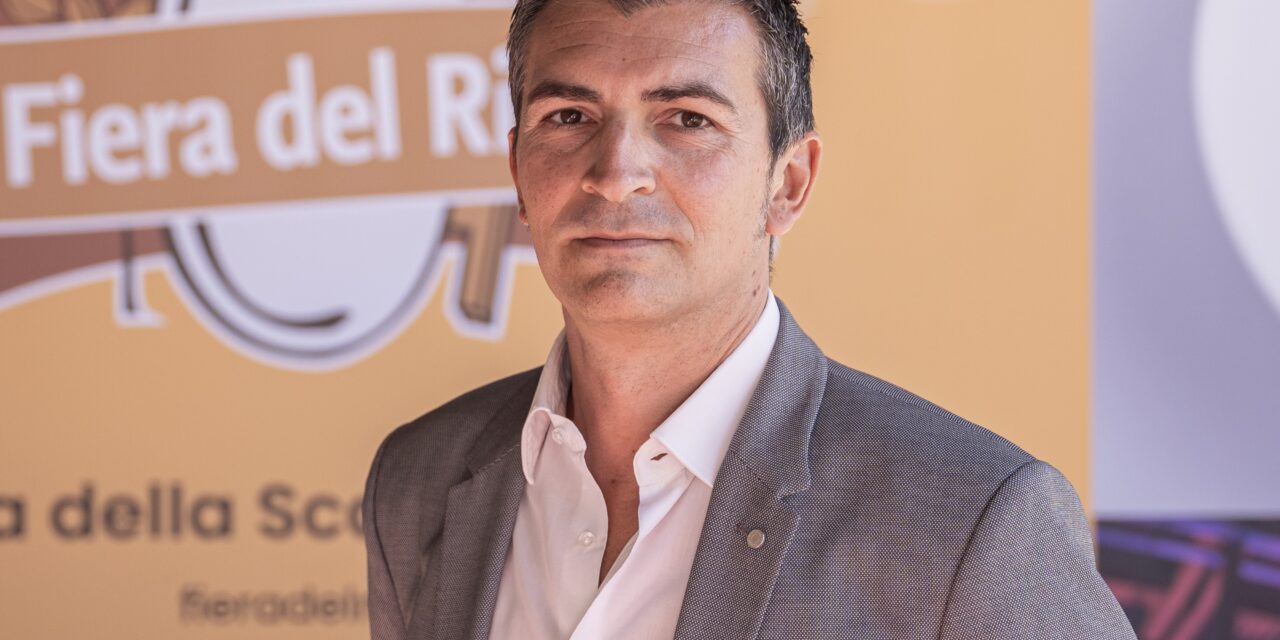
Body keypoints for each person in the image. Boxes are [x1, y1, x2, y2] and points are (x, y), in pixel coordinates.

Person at [362, 0, 1137, 638]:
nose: (616, 174)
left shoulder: (970, 520)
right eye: (569, 116)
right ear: (518, 174)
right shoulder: (419, 479)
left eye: (687, 119)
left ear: (788, 183)